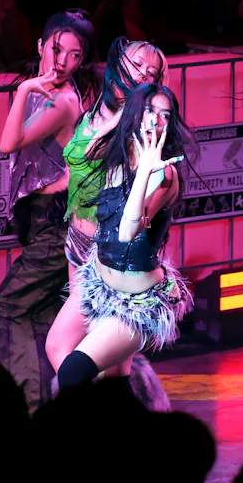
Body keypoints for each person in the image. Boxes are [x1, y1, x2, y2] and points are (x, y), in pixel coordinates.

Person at [45, 37, 174, 411]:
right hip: (93, 265)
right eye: (137, 65)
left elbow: (130, 227)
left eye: (152, 73)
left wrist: (147, 169)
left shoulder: (160, 169)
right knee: (74, 355)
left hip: (131, 290)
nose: (142, 74)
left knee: (90, 367)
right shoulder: (114, 136)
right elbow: (81, 161)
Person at [0, 9, 98, 413]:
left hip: (58, 224)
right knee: (42, 322)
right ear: (40, 45)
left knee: (4, 309)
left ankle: (28, 412)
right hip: (44, 222)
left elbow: (8, 144)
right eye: (56, 49)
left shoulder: (63, 100)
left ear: (82, 61)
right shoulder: (47, 94)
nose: (62, 61)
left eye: (74, 54)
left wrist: (23, 91)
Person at [51, 83, 195, 393]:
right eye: (148, 111)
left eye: (164, 115)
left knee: (73, 373)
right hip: (98, 285)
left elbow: (128, 231)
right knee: (58, 347)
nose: (156, 120)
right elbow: (84, 153)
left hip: (136, 302)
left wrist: (144, 171)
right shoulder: (115, 158)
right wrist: (125, 118)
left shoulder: (163, 175)